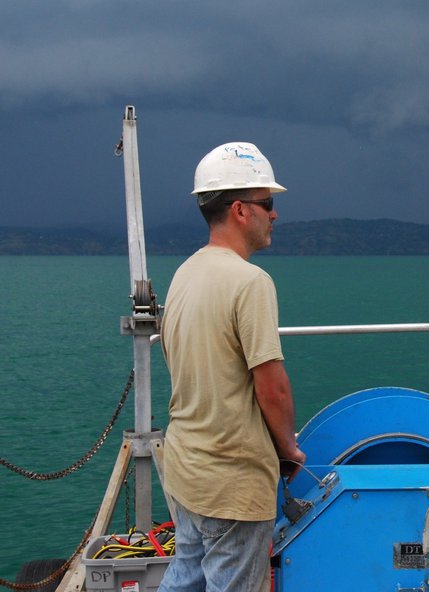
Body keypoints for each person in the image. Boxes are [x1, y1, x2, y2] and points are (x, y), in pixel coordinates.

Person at [158, 142, 306, 592]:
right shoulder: (251, 282)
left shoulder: (184, 273)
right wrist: (289, 449)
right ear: (241, 210)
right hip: (231, 483)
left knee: (186, 578)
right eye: (268, 204)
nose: (274, 215)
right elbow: (272, 388)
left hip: (186, 469)